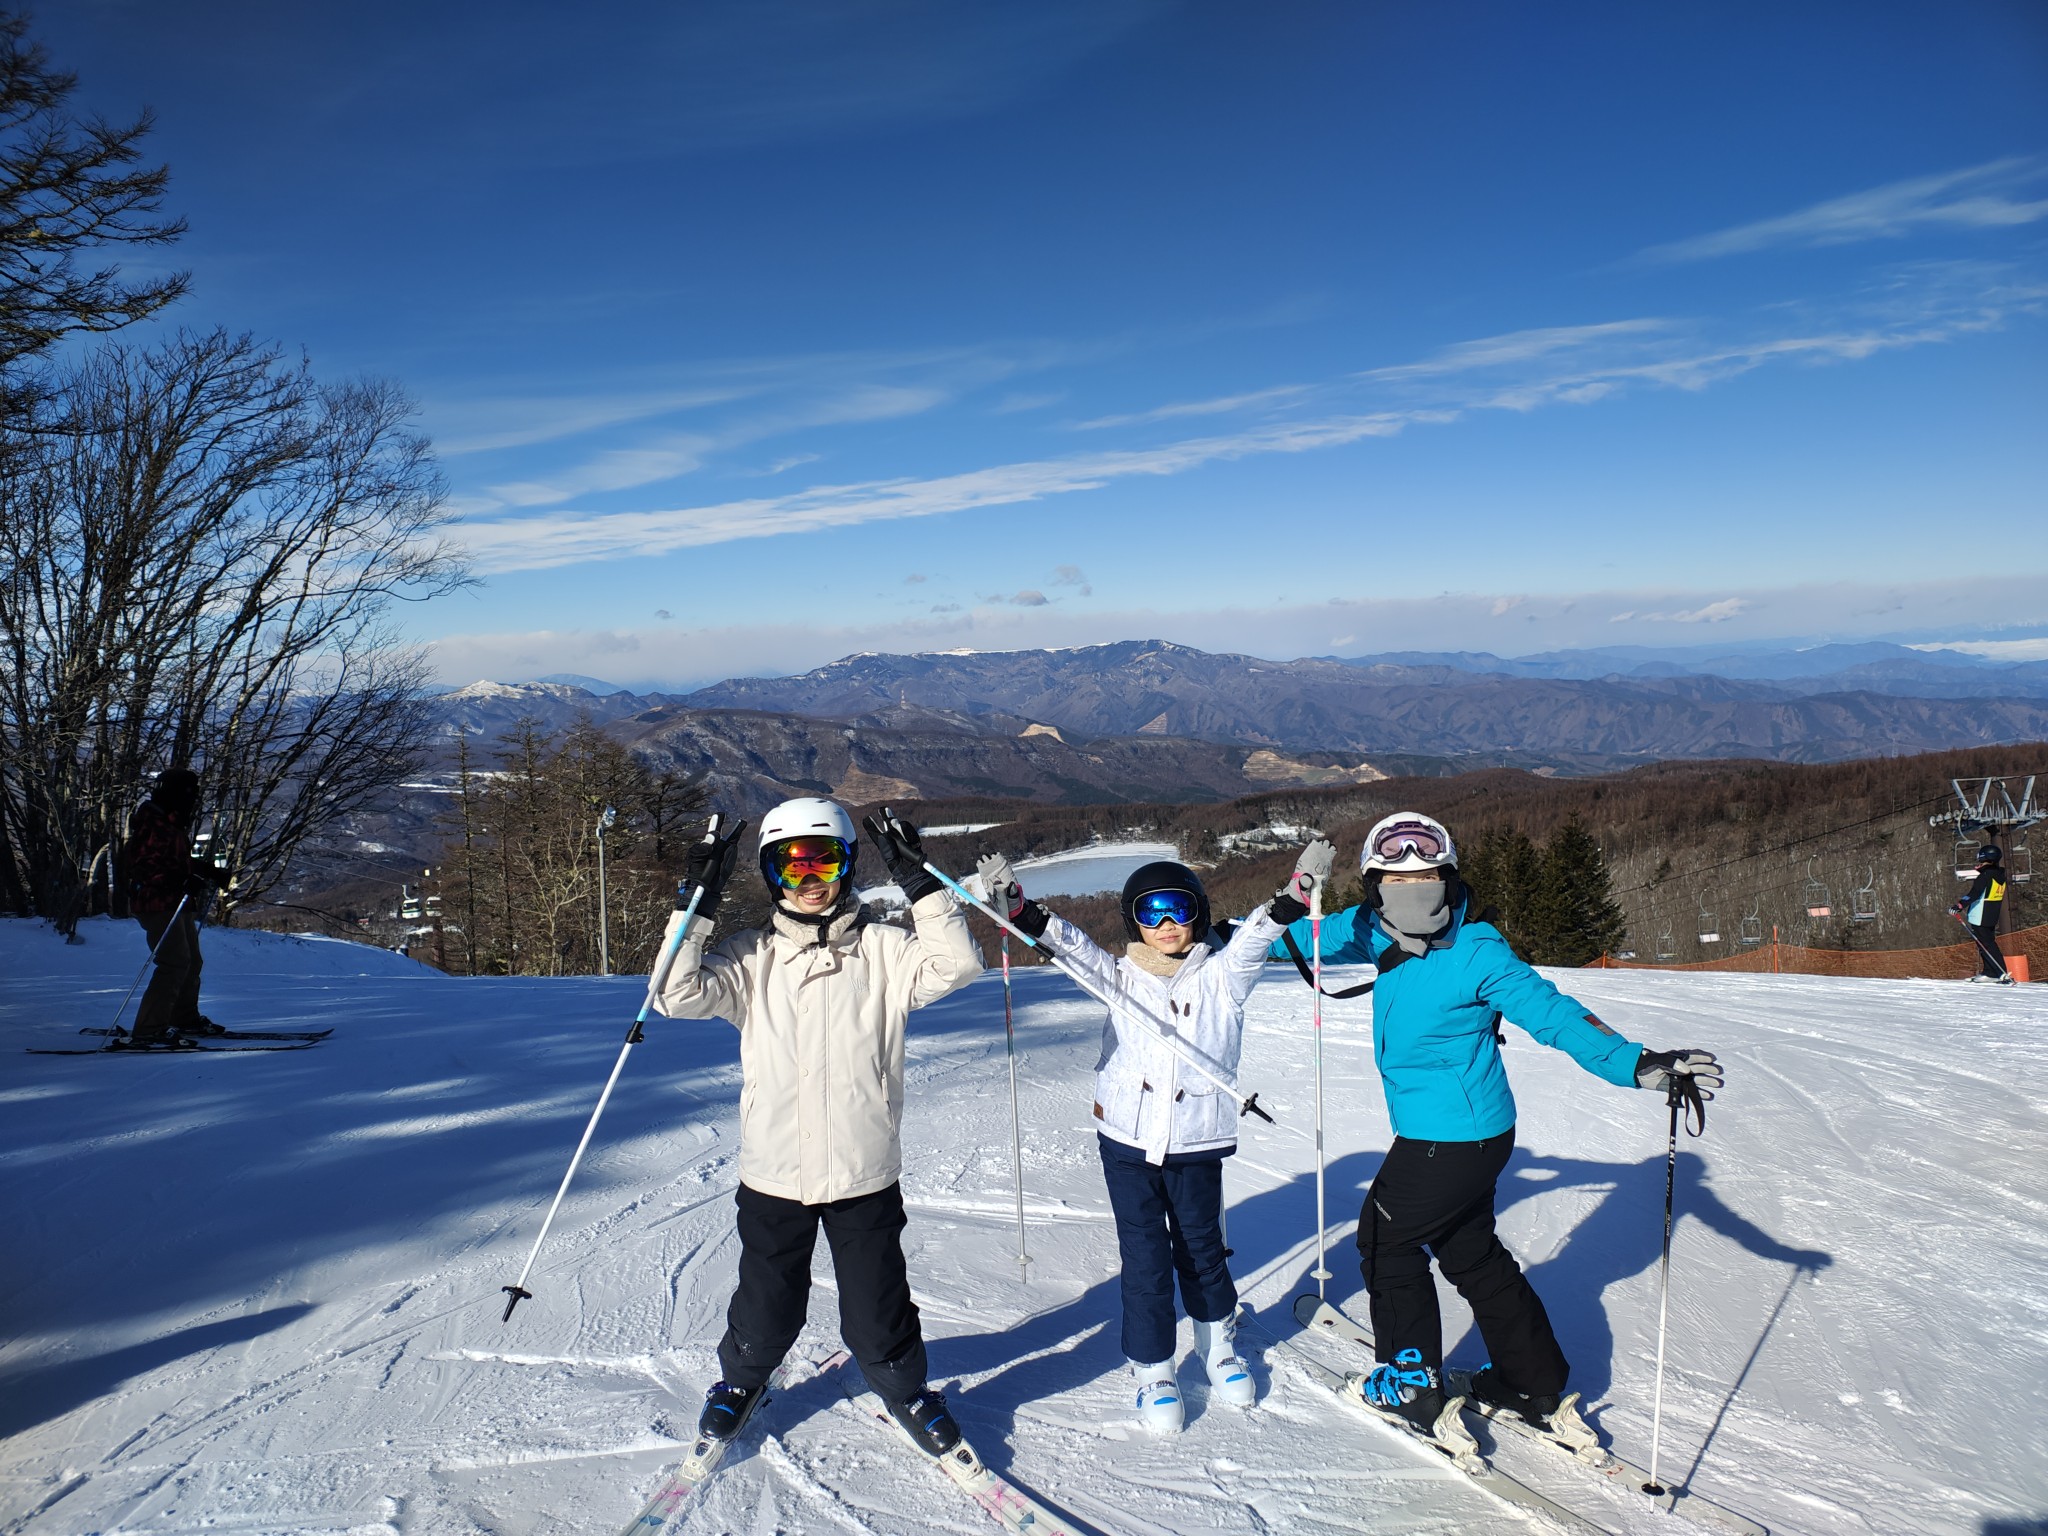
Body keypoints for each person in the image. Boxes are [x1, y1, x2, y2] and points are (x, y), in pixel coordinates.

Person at [1267, 812, 1723, 1452]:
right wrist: (1288, 902)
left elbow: (1555, 1014)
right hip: (1481, 1135)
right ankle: (1531, 1385)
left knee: (1385, 1242)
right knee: (1470, 1253)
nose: (1411, 890)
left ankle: (1411, 1385)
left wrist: (1634, 1063)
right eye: (1395, 879)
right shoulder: (1371, 929)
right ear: (1374, 887)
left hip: (1444, 1142)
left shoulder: (1479, 951)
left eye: (1425, 875)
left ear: (1449, 879)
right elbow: (1295, 941)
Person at [652, 798, 983, 1456]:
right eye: (791, 865)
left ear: (849, 866)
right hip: (774, 1172)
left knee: (876, 1303)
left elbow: (957, 966)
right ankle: (743, 1381)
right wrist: (697, 904)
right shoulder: (752, 960)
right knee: (767, 1300)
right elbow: (672, 993)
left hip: (864, 1171)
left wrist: (923, 888)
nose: (809, 880)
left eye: (823, 861)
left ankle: (904, 1387)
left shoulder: (887, 953)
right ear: (772, 876)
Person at [977, 839, 1336, 1432]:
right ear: (1133, 922)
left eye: (1178, 908)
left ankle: (1218, 1346)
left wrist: (1295, 895)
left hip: (1196, 1137)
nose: (1167, 924)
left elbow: (1255, 936)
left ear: (1196, 910)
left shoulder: (1223, 977)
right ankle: (1153, 1369)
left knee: (1202, 1249)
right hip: (1127, 1140)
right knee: (1143, 1258)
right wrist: (1018, 908)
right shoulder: (1116, 978)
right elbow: (1068, 946)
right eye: (1151, 912)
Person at [116, 768, 232, 1047]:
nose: (193, 800)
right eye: (190, 794)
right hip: (156, 903)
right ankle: (149, 1029)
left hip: (175, 901)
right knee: (174, 962)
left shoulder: (170, 822)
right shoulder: (152, 823)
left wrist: (207, 871)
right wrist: (181, 879)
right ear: (175, 793)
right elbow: (141, 868)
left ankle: (184, 1018)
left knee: (191, 960)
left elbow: (177, 861)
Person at [1953, 845, 2012, 983]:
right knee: (1985, 943)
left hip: (1980, 914)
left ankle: (1999, 972)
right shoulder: (1999, 875)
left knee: (1986, 944)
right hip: (1992, 914)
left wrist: (1959, 906)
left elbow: (1974, 893)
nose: (1979, 863)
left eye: (1982, 860)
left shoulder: (1985, 876)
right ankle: (1990, 972)